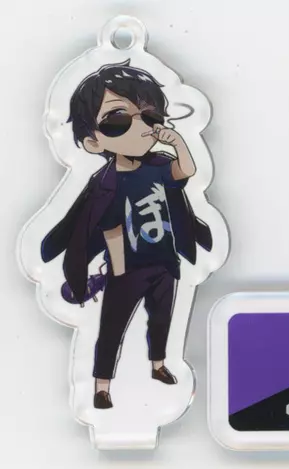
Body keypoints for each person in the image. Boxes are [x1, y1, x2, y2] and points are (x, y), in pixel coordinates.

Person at [41, 61, 212, 409]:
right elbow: (92, 222)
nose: (142, 127)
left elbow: (187, 171)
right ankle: (101, 387)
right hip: (126, 270)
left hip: (165, 262)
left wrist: (177, 141)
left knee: (162, 319)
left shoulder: (160, 164)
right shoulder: (105, 181)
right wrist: (114, 265)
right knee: (111, 328)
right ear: (93, 141)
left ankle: (159, 365)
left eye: (150, 117)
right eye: (118, 119)